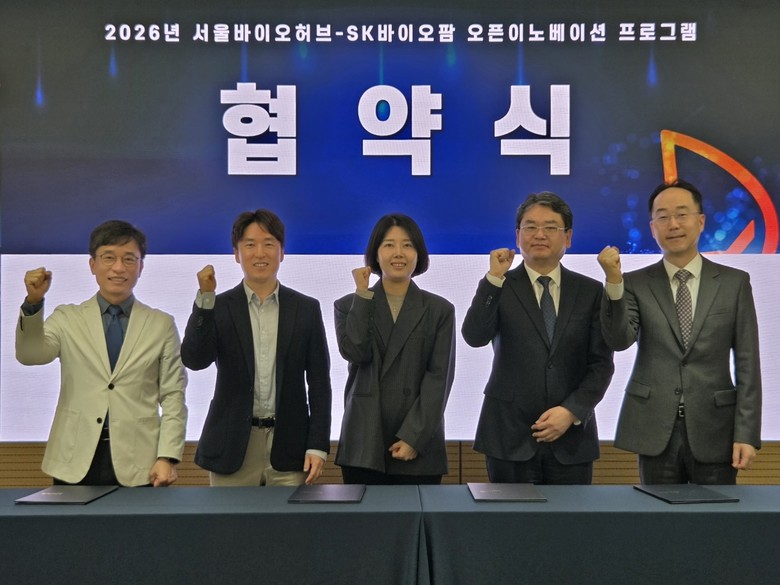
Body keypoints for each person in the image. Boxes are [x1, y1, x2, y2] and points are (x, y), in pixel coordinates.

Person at [598, 178, 762, 484]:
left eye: (682, 214)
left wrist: (747, 433)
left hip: (716, 426)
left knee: (715, 512)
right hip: (654, 426)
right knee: (658, 513)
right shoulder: (635, 283)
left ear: (700, 221)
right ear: (652, 228)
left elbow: (748, 364)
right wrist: (614, 283)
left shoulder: (734, 283)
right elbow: (619, 341)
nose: (673, 224)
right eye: (663, 217)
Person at [16, 220, 187, 487]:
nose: (118, 268)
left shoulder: (161, 324)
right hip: (73, 457)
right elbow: (30, 355)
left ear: (141, 267)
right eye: (109, 257)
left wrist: (167, 456)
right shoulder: (67, 318)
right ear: (92, 264)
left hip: (139, 460)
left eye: (129, 259)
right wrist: (33, 303)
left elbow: (173, 395)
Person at [462, 192, 614, 484]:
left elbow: (601, 364)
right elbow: (474, 336)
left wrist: (571, 411)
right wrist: (493, 280)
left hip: (571, 439)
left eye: (550, 227)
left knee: (569, 515)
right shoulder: (499, 285)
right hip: (508, 436)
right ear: (517, 236)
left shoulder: (590, 291)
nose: (539, 234)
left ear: (568, 237)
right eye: (530, 227)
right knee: (510, 515)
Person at [181, 209, 331, 486]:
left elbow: (319, 383)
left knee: (288, 517)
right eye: (250, 244)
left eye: (269, 244)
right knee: (229, 517)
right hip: (232, 445)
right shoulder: (219, 306)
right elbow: (195, 359)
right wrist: (205, 300)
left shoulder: (306, 308)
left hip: (290, 446)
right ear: (237, 254)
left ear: (282, 252)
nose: (259, 253)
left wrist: (318, 444)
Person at [334, 213, 455, 485]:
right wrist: (362, 295)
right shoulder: (348, 305)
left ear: (418, 254)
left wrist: (414, 437)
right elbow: (356, 352)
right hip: (364, 442)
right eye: (389, 245)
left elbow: (439, 379)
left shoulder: (439, 310)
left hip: (418, 443)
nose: (398, 253)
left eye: (407, 245)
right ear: (375, 254)